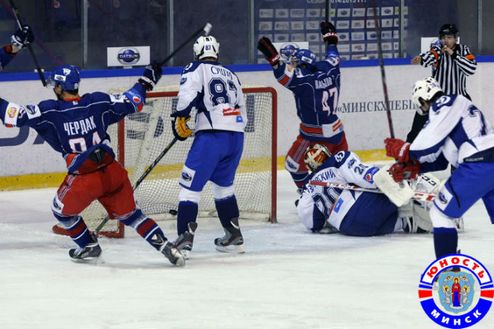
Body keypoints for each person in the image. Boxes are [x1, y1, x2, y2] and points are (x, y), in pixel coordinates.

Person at [0, 63, 185, 266]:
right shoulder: (98, 101)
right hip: (113, 172)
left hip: (84, 178)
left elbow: (13, 115)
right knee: (132, 215)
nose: (54, 88)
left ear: (61, 87)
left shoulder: (49, 111)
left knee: (61, 211)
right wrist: (146, 80)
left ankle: (88, 246)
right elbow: (133, 102)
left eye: (56, 85)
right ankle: (168, 247)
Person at [384, 77, 494, 259]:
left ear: (423, 99)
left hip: (478, 164)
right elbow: (441, 158)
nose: (423, 111)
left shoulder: (444, 104)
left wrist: (405, 150)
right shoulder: (452, 113)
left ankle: (447, 271)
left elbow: (427, 143)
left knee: (440, 213)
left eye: (421, 107)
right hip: (488, 159)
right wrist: (414, 168)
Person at [171, 35, 247, 257]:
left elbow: (187, 96)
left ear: (197, 52)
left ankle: (184, 242)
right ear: (217, 52)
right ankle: (233, 236)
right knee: (224, 187)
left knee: (189, 189)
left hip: (212, 138)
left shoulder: (195, 67)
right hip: (236, 137)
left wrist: (181, 117)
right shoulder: (232, 74)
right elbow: (242, 107)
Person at [257, 21, 348, 193]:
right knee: (337, 171)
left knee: (293, 164)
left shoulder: (303, 80)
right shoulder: (331, 68)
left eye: (294, 63)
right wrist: (330, 37)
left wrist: (273, 58)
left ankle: (310, 194)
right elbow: (333, 52)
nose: (292, 65)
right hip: (338, 135)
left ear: (302, 64)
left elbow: (282, 73)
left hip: (315, 137)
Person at [297, 144, 435, 236]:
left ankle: (406, 222)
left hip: (350, 228)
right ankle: (440, 199)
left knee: (396, 218)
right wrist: (387, 178)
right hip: (365, 209)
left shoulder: (308, 187)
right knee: (406, 176)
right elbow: (365, 176)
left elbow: (312, 223)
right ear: (327, 154)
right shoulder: (337, 160)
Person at [408, 24, 477, 143]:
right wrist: (422, 58)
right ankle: (407, 153)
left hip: (458, 99)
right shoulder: (438, 50)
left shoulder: (463, 50)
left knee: (468, 131)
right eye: (443, 37)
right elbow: (430, 56)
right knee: (417, 129)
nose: (446, 40)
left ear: (456, 38)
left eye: (449, 37)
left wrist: (453, 54)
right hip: (437, 99)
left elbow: (471, 69)